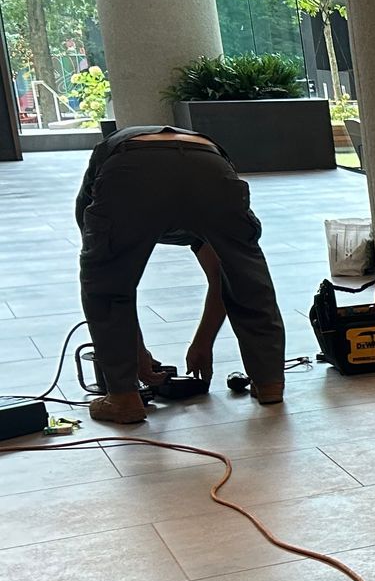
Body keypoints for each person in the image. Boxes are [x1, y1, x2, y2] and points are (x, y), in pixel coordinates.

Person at [74, 125, 285, 424]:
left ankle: (123, 399)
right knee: (247, 277)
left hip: (128, 164)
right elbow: (223, 276)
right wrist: (202, 342)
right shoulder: (196, 216)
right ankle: (269, 382)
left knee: (105, 284)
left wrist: (136, 356)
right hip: (208, 163)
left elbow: (111, 285)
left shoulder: (102, 195)